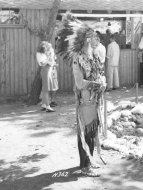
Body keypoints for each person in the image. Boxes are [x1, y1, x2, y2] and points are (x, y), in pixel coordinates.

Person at [57, 17, 106, 177]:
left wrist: (103, 82)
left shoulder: (94, 56)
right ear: (86, 40)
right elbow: (79, 83)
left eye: (96, 37)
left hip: (94, 101)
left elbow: (100, 74)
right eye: (93, 37)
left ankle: (89, 161)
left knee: (92, 132)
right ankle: (85, 166)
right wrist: (97, 85)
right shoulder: (78, 59)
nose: (95, 39)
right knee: (85, 132)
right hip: (85, 101)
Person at [36, 41, 58, 112]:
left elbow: (50, 63)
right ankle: (48, 106)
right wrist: (49, 59)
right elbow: (43, 63)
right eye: (47, 47)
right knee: (46, 89)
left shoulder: (44, 54)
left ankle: (44, 104)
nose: (48, 49)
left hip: (48, 71)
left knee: (46, 89)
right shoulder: (40, 54)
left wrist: (50, 60)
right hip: (45, 71)